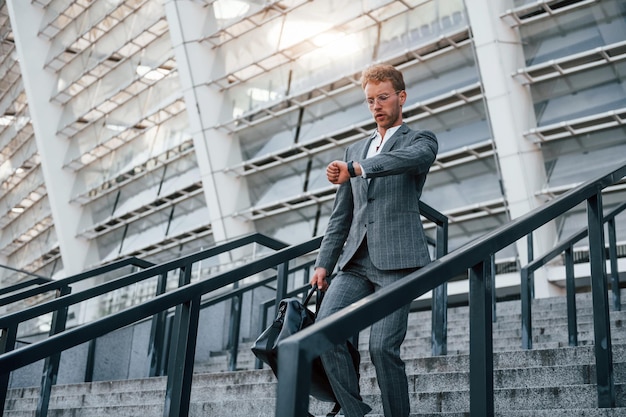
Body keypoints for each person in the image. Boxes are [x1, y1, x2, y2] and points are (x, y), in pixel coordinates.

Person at [310, 63, 438, 417]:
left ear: (401, 97)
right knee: (323, 333)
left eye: (383, 98)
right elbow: (342, 215)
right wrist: (324, 262)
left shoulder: (421, 139)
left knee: (382, 348)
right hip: (355, 263)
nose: (377, 106)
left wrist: (359, 168)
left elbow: (409, 159)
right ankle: (356, 412)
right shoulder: (354, 148)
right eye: (370, 101)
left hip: (398, 261)